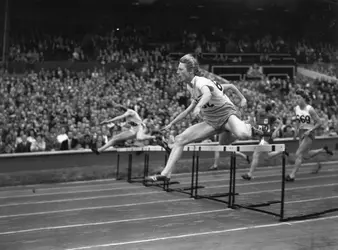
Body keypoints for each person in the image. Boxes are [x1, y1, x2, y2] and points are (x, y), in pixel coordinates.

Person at [145, 54, 262, 182]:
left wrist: (199, 107)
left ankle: (252, 127)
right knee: (180, 139)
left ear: (190, 71)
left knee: (243, 134)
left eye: (180, 69)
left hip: (226, 115)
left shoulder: (201, 82)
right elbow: (188, 109)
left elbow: (207, 94)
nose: (177, 72)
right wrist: (171, 124)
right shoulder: (190, 86)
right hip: (211, 121)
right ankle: (165, 174)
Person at [286, 89, 333, 181]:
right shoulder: (296, 108)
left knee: (298, 153)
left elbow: (319, 122)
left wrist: (310, 130)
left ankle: (292, 175)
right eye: (296, 98)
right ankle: (322, 150)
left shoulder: (310, 109)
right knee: (306, 155)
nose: (297, 100)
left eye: (298, 98)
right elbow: (298, 121)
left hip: (309, 132)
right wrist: (296, 131)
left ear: (304, 98)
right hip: (301, 132)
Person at [91, 102, 170, 154]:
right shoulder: (127, 119)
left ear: (121, 110)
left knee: (139, 138)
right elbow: (130, 124)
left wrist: (109, 121)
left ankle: (156, 137)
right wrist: (123, 125)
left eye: (117, 111)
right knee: (115, 138)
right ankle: (99, 150)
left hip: (140, 128)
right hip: (133, 130)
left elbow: (120, 116)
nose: (116, 112)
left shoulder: (130, 111)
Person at [209, 83, 251, 170]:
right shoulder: (230, 105)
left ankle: (215, 165)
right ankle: (244, 156)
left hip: (227, 127)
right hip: (229, 127)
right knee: (229, 147)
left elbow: (236, 118)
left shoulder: (233, 109)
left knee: (219, 147)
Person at [241, 104, 285, 180]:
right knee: (267, 156)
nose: (258, 110)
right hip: (261, 138)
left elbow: (280, 123)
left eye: (259, 108)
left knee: (256, 153)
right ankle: (281, 150)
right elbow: (255, 126)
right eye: (257, 108)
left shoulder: (270, 116)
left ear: (263, 109)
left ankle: (249, 174)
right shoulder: (257, 116)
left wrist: (275, 131)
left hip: (267, 137)